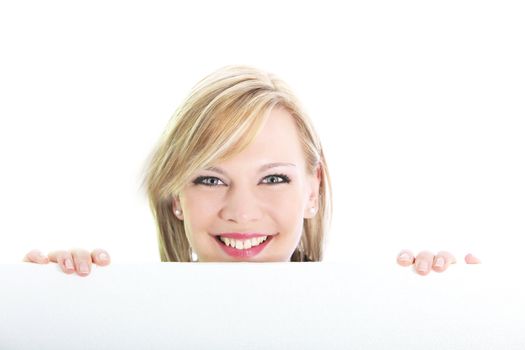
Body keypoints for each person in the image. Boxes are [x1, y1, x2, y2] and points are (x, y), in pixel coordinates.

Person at [23, 65, 481, 276]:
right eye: (210, 179)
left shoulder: (374, 317)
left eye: (274, 178)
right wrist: (47, 302)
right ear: (175, 196)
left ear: (312, 191)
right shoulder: (118, 322)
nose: (242, 213)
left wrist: (445, 307)